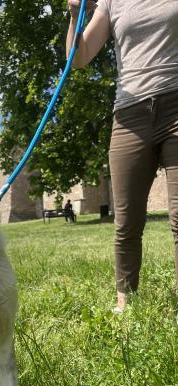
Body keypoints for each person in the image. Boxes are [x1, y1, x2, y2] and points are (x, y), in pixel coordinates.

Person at [66, 0, 178, 312]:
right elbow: (79, 58)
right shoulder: (111, 1)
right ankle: (125, 304)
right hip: (130, 115)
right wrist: (75, 15)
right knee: (126, 221)